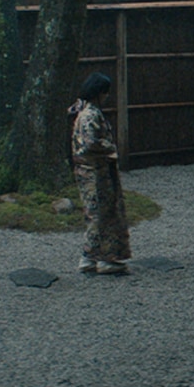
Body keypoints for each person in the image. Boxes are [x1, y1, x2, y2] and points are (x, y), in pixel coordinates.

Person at [68, 72, 131, 275]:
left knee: (98, 213)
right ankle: (97, 257)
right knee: (100, 214)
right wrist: (109, 146)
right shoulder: (90, 115)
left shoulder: (82, 110)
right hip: (95, 171)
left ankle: (93, 257)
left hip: (91, 170)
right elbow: (89, 143)